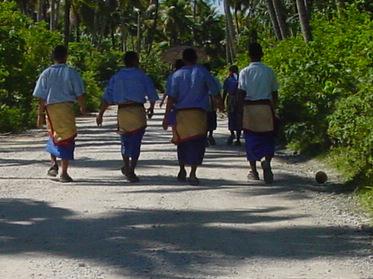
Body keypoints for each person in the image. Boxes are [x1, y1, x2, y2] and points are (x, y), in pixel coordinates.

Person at [162, 48, 223, 186]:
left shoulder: (176, 75)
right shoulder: (203, 72)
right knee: (198, 143)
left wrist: (166, 117)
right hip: (198, 114)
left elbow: (171, 98)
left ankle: (182, 168)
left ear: (183, 59)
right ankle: (193, 173)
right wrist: (220, 105)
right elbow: (215, 91)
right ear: (196, 58)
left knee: (182, 142)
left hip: (181, 114)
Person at [96, 51, 159, 182]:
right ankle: (132, 168)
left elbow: (107, 97)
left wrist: (100, 114)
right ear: (136, 61)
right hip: (137, 110)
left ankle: (126, 165)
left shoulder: (117, 76)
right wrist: (151, 108)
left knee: (125, 141)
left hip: (122, 112)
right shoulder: (142, 76)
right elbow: (152, 94)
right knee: (136, 142)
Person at [33, 45, 86, 183]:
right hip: (66, 108)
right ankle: (64, 172)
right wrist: (82, 107)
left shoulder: (46, 73)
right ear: (66, 56)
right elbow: (79, 93)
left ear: (53, 57)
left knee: (53, 135)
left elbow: (41, 97)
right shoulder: (71, 72)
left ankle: (53, 164)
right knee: (67, 138)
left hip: (50, 110)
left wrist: (39, 115)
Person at [238, 43, 279, 184]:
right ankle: (266, 160)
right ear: (262, 55)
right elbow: (274, 93)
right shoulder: (269, 71)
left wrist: (239, 110)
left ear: (249, 55)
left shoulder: (244, 72)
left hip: (250, 108)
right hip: (266, 108)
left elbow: (241, 92)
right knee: (267, 136)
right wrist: (275, 109)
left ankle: (254, 171)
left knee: (251, 138)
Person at [223, 65, 242, 146]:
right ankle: (238, 138)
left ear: (230, 71)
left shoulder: (228, 79)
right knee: (239, 118)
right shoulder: (240, 78)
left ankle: (232, 133)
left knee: (231, 117)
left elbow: (225, 91)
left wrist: (222, 101)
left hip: (231, 99)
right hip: (240, 100)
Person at [204, 63, 222, 146]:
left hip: (204, 101)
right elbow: (218, 91)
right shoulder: (214, 79)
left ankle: (205, 136)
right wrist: (220, 103)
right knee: (212, 117)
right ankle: (210, 135)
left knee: (204, 118)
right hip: (213, 100)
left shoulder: (200, 78)